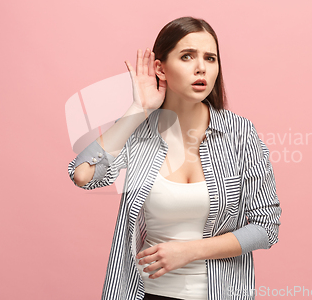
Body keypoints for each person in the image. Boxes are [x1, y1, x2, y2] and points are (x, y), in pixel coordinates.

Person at [68, 16, 282, 300]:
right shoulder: (139, 130)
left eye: (210, 58)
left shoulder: (240, 133)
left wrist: (190, 250)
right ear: (161, 68)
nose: (201, 68)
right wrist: (138, 110)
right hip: (146, 293)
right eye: (187, 56)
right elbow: (83, 174)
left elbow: (266, 227)